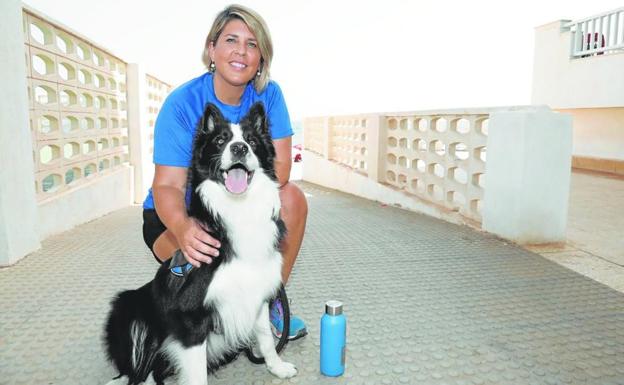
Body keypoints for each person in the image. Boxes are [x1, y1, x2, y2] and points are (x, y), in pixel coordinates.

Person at [141, 4, 308, 341]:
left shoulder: (270, 95)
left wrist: (240, 214)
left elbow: (281, 168)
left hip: (243, 206)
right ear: (211, 48)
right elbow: (168, 185)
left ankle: (266, 302)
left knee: (292, 198)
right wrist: (183, 227)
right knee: (195, 293)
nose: (241, 51)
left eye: (252, 44)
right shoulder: (182, 103)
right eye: (231, 39)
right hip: (182, 214)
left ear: (261, 57)